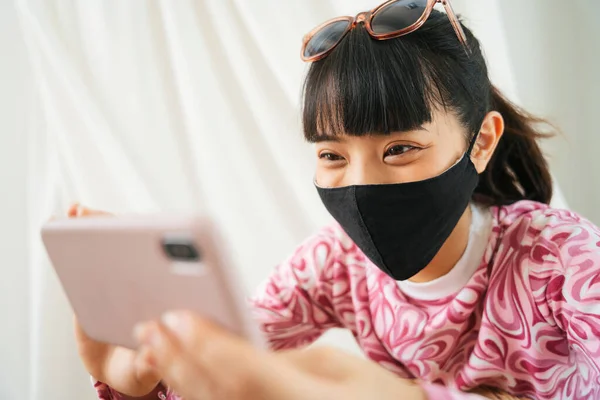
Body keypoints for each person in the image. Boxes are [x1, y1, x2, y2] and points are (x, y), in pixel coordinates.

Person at [70, 0, 600, 399]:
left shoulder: (561, 258)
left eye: (399, 149)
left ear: (481, 141)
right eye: (331, 156)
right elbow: (226, 370)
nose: (361, 184)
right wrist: (138, 378)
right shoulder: (334, 263)